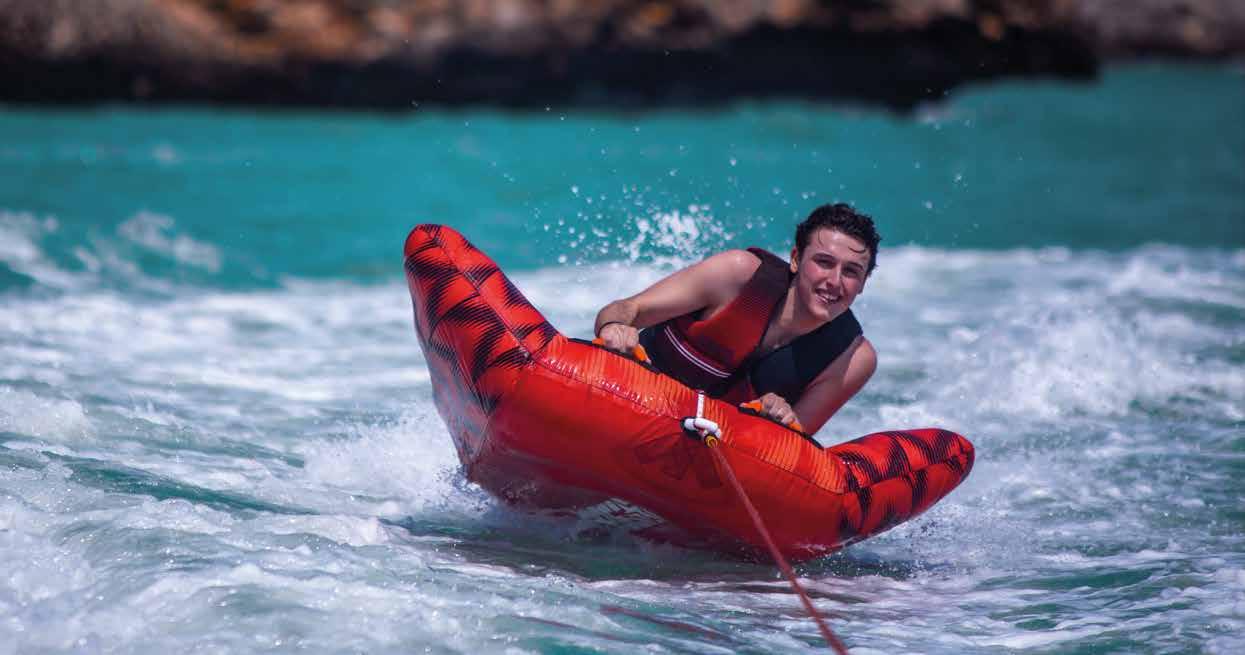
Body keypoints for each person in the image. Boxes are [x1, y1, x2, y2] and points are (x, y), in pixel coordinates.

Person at [593, 203, 879, 435]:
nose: (834, 281)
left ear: (864, 282)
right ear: (795, 259)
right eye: (824, 262)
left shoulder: (852, 360)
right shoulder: (737, 275)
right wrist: (614, 327)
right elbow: (626, 308)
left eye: (851, 272)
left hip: (703, 451)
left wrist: (780, 418)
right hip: (628, 401)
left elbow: (793, 447)